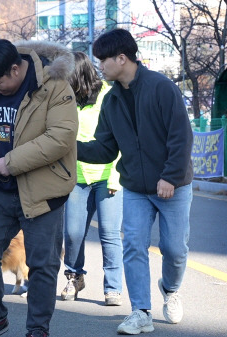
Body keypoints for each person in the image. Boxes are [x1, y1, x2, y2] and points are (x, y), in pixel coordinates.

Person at [77, 28, 193, 335]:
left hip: (174, 186)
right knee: (134, 246)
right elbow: (103, 149)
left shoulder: (161, 88)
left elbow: (181, 137)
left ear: (122, 58)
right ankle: (141, 311)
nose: (99, 66)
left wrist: (169, 176)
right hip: (136, 189)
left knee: (175, 249)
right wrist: (68, 146)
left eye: (103, 60)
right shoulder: (111, 101)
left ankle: (170, 288)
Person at [0, 39, 78, 337]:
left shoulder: (54, 85)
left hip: (44, 190)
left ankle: (37, 329)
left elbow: (61, 137)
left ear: (16, 69)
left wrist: (11, 162)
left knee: (42, 264)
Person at [61, 51, 124, 306]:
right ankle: (74, 277)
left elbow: (122, 139)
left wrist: (115, 178)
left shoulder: (109, 96)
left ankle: (113, 287)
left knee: (109, 233)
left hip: (107, 175)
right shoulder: (66, 100)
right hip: (76, 177)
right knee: (73, 233)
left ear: (79, 75)